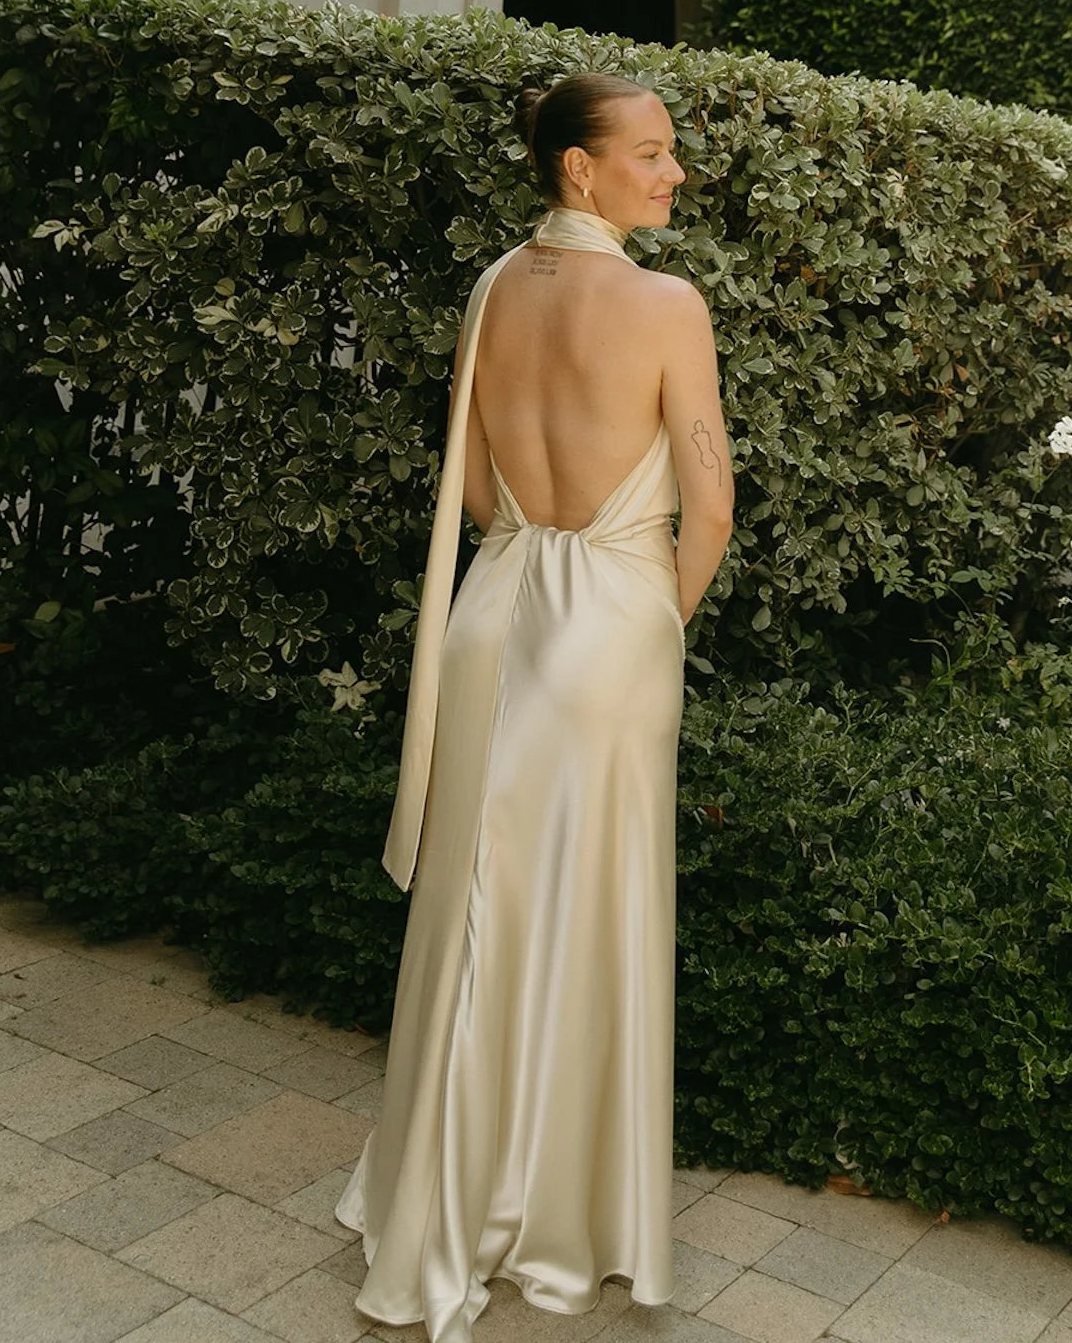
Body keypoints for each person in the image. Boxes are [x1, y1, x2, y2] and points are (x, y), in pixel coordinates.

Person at [337, 72, 735, 1340]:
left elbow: (470, 494)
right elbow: (711, 505)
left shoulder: (493, 289)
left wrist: (539, 555)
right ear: (580, 167)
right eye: (654, 154)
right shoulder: (669, 304)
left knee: (472, 917)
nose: (674, 174)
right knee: (580, 914)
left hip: (492, 613)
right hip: (609, 629)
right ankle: (556, 1216)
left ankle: (440, 1193)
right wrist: (646, 613)